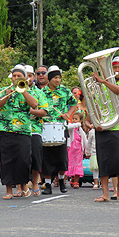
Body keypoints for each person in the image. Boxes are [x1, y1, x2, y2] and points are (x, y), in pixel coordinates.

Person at [92, 56, 119, 202]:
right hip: (103, 126)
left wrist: (104, 81)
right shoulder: (101, 85)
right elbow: (95, 103)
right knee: (102, 160)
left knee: (118, 160)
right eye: (114, 67)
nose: (116, 70)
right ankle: (105, 193)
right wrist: (94, 120)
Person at [0, 65, 38, 199]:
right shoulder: (3, 90)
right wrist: (7, 96)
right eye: (14, 76)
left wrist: (23, 91)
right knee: (7, 161)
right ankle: (8, 191)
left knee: (23, 160)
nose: (16, 78)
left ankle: (23, 185)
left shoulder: (29, 90)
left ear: (24, 77)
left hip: (23, 131)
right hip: (5, 129)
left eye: (19, 76)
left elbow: (35, 104)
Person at [41, 65, 77, 194]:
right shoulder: (42, 92)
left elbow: (74, 103)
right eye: (55, 78)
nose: (57, 80)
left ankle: (61, 180)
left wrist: (68, 114)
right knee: (47, 157)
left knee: (61, 157)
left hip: (61, 126)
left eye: (59, 78)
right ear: (49, 79)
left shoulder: (65, 91)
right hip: (46, 126)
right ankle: (48, 184)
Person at [25, 65, 49, 196]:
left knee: (35, 157)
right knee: (21, 158)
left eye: (30, 75)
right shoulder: (14, 91)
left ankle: (34, 183)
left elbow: (44, 111)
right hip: (19, 130)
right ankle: (20, 185)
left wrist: (31, 111)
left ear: (33, 77)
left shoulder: (39, 93)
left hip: (35, 129)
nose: (28, 78)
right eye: (25, 75)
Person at [66, 112, 87, 188]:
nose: (74, 120)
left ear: (81, 120)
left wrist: (86, 150)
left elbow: (84, 140)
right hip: (71, 149)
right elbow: (68, 127)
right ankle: (70, 178)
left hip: (78, 151)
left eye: (76, 119)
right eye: (73, 119)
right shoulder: (71, 128)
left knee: (77, 165)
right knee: (69, 164)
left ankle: (76, 181)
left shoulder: (81, 130)